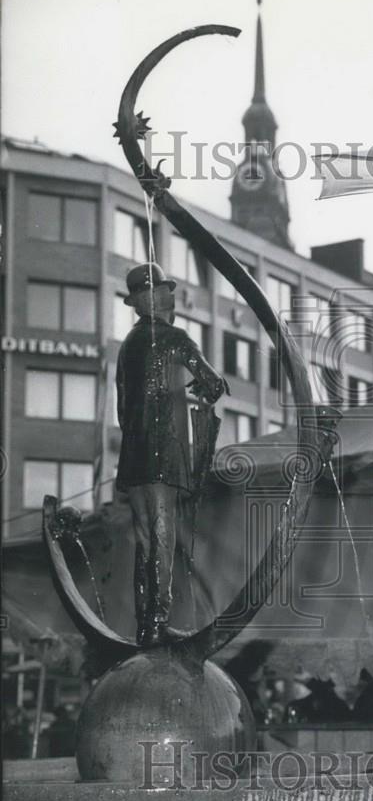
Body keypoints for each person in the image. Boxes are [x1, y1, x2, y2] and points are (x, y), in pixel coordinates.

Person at [116, 263, 227, 647]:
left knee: (145, 539)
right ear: (161, 299)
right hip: (166, 453)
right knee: (163, 536)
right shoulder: (177, 338)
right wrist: (197, 387)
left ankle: (144, 622)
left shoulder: (127, 346)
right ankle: (158, 621)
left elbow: (121, 406)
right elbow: (214, 385)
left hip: (133, 455)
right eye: (168, 293)